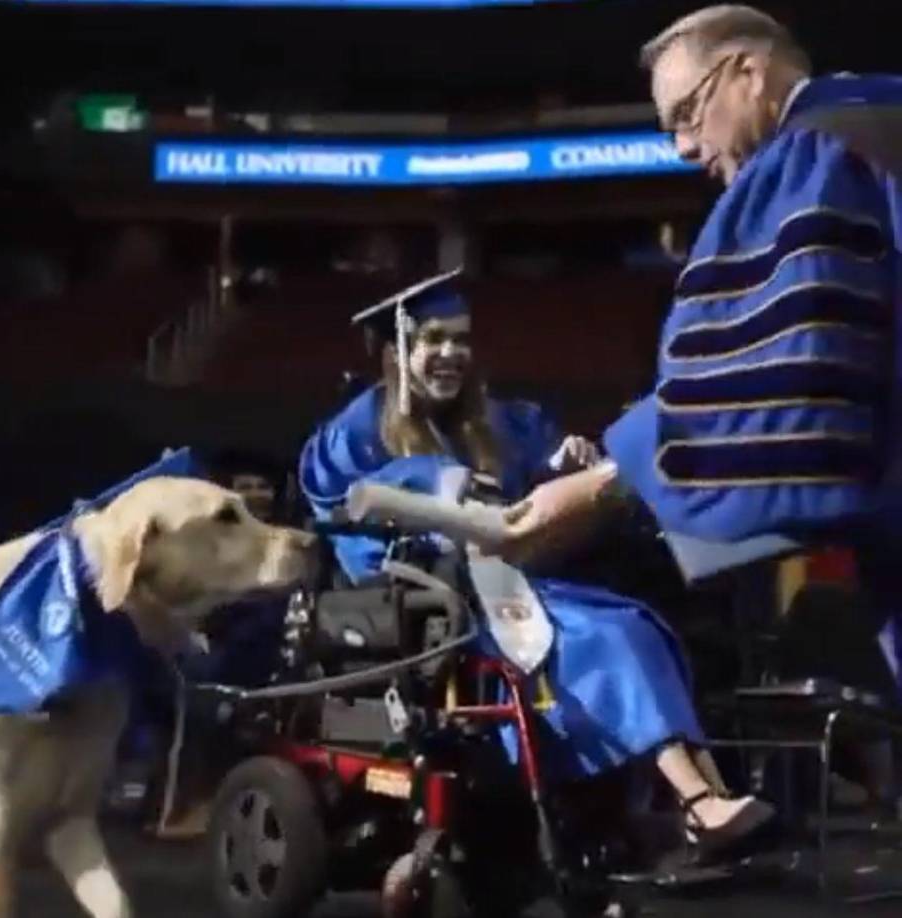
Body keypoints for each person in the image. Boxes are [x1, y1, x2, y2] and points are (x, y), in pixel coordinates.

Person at [498, 5, 902, 703]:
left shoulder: (823, 154)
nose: (683, 146)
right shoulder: (882, 117)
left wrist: (614, 477)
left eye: (687, 112)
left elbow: (782, 384)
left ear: (749, 71)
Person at [299, 268, 775, 861]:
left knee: (642, 623)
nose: (452, 354)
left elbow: (536, 498)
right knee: (609, 635)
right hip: (442, 605)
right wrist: (435, 487)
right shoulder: (354, 433)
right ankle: (697, 799)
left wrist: (569, 464)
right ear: (398, 350)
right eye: (434, 340)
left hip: (523, 585)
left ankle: (693, 799)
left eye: (462, 340)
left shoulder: (498, 421)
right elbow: (350, 521)